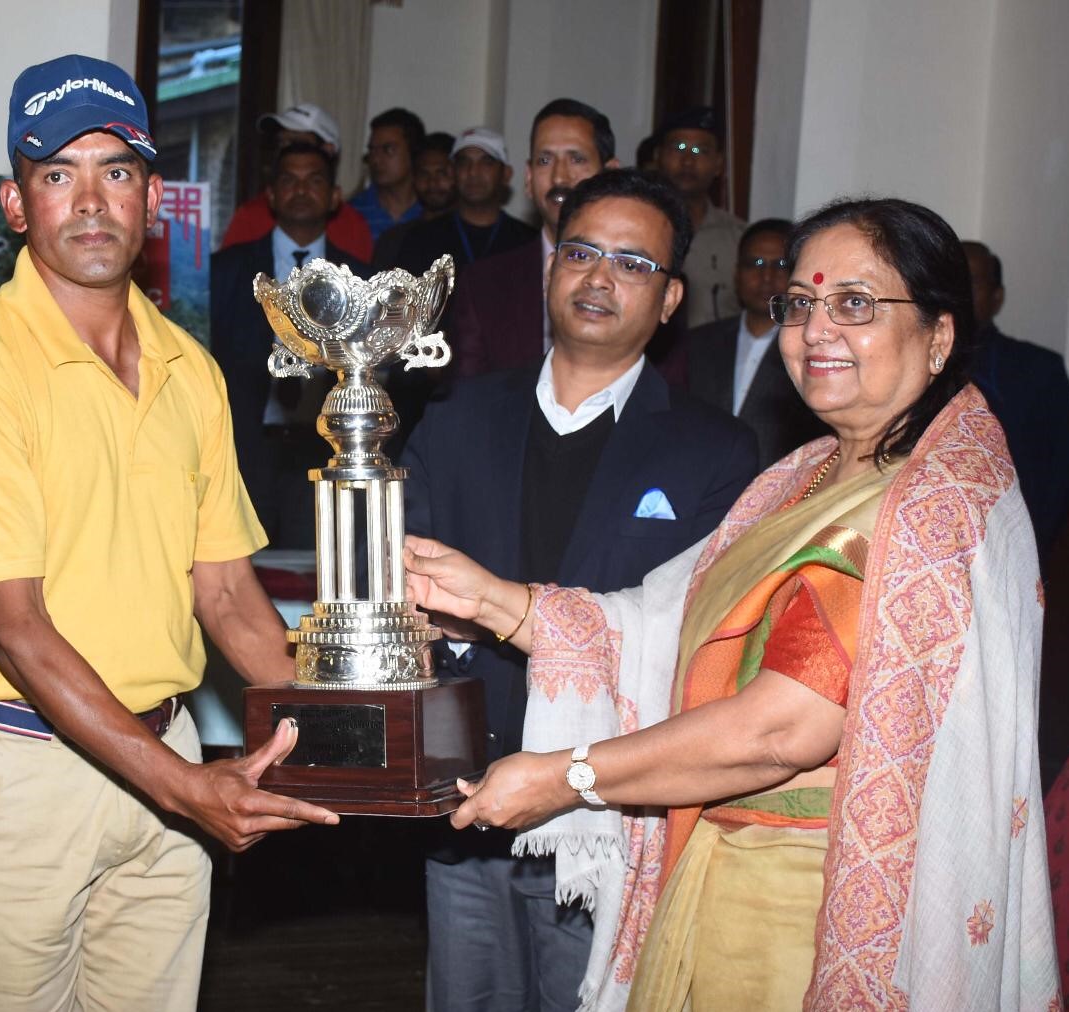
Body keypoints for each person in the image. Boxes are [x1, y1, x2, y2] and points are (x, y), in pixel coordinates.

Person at [405, 197, 1057, 1010]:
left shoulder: (929, 509)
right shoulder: (804, 475)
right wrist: (494, 600)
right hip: (717, 866)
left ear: (939, 335)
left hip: (807, 906)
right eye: (801, 303)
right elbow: (660, 619)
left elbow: (783, 729)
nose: (817, 331)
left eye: (855, 304)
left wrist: (570, 776)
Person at [0, 54, 338, 1011]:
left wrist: (347, 731)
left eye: (117, 171)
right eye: (59, 174)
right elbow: (18, 631)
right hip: (17, 769)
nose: (92, 201)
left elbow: (225, 591)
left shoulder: (189, 367)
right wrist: (185, 788)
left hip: (166, 747)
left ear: (151, 201)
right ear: (17, 206)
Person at [403, 168, 758, 1012]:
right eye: (582, 253)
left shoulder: (716, 453)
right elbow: (398, 585)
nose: (600, 278)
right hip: (465, 805)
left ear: (671, 300)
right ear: (551, 268)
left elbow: (699, 643)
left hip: (611, 818)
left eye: (633, 264)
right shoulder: (457, 417)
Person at [211, 141, 369, 547]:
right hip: (242, 449)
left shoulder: (360, 278)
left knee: (321, 565)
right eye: (289, 180)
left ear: (334, 196)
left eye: (313, 181)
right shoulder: (226, 270)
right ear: (271, 194)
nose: (300, 190)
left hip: (326, 452)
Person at [448, 98, 617, 379]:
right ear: (528, 178)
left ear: (610, 175)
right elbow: (467, 395)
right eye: (545, 161)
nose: (559, 177)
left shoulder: (643, 280)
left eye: (576, 159)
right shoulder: (482, 285)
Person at [683, 218, 828, 468]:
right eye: (755, 264)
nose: (767, 276)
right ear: (736, 274)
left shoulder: (811, 347)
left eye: (780, 265)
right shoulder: (698, 343)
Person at [962, 240, 1069, 568]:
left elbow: (1057, 478)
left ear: (997, 297)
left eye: (972, 282)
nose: (959, 292)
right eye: (949, 279)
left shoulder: (1038, 370)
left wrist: (1031, 549)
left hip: (1013, 552)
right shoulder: (907, 367)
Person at [220, 102, 373, 262]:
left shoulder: (353, 226)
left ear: (328, 150)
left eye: (297, 143)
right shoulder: (250, 216)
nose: (285, 151)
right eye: (280, 144)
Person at [394, 127, 536, 276]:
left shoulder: (528, 242)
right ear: (453, 172)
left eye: (486, 162)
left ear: (506, 174)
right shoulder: (422, 239)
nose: (473, 172)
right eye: (464, 162)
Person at [654, 106, 744, 328]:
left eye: (700, 151)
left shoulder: (738, 237)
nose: (688, 160)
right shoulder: (638, 228)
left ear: (718, 164)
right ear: (658, 156)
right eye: (678, 148)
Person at [372, 131, 457, 271]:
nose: (432, 182)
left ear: (458, 175)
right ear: (414, 178)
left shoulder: (469, 235)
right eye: (424, 174)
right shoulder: (394, 240)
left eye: (441, 173)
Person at [349, 107, 426, 240]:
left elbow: (448, 252)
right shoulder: (352, 213)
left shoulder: (431, 211)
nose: (376, 159)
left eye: (388, 149)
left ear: (414, 152)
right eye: (372, 150)